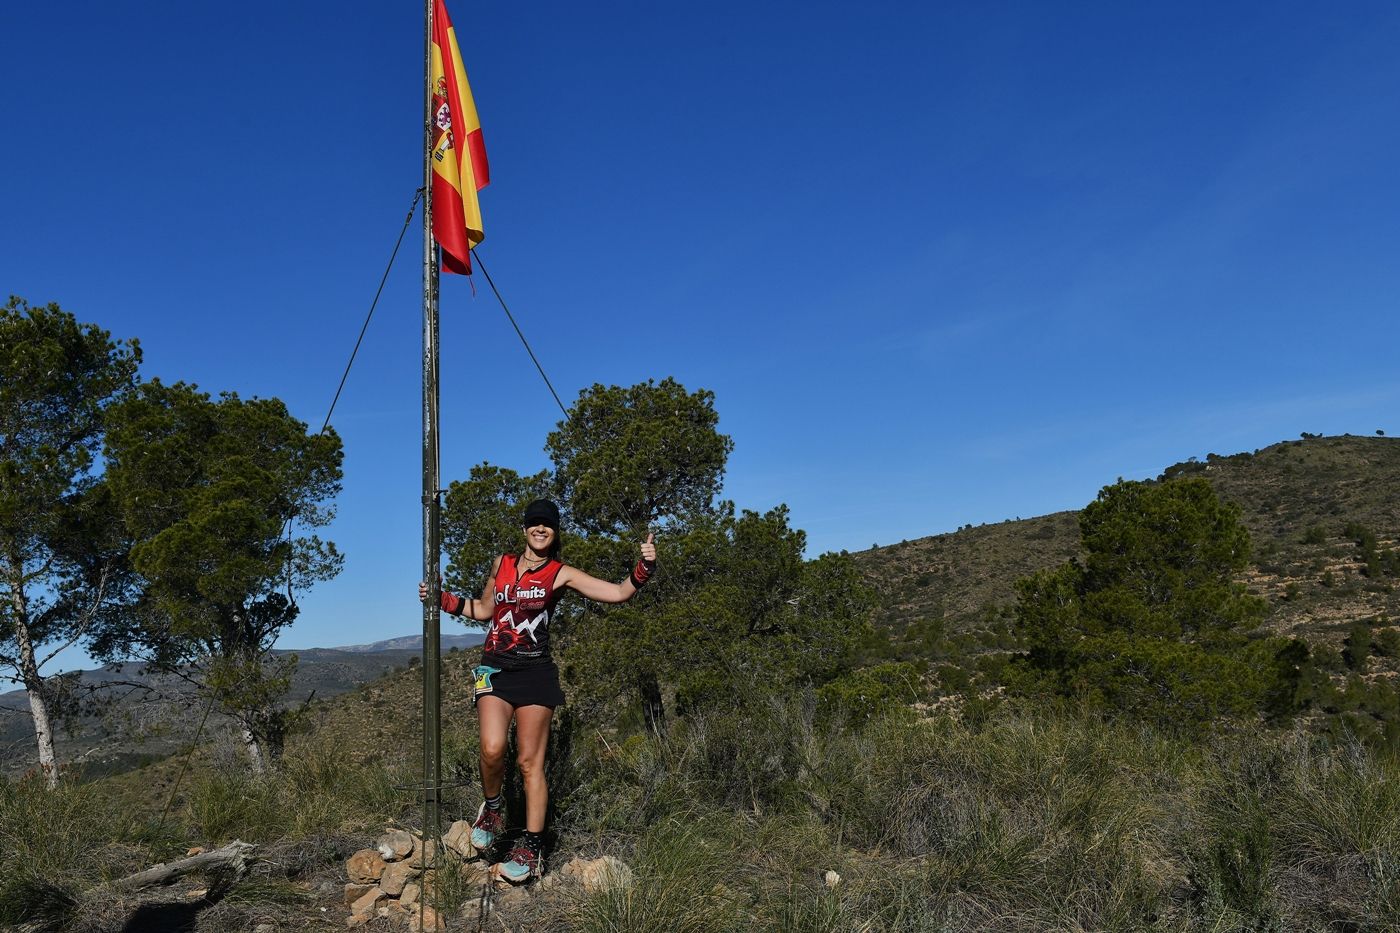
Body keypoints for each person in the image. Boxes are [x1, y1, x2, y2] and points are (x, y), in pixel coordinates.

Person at [419, 498, 657, 883]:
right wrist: (442, 600)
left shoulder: (560, 573)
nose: (540, 529)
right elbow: (483, 610)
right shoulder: (503, 564)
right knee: (493, 748)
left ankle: (531, 848)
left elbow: (617, 593)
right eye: (534, 523)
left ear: (555, 531)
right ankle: (493, 809)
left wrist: (643, 568)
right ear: (525, 528)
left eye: (547, 524)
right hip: (495, 668)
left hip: (536, 675)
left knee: (530, 764)